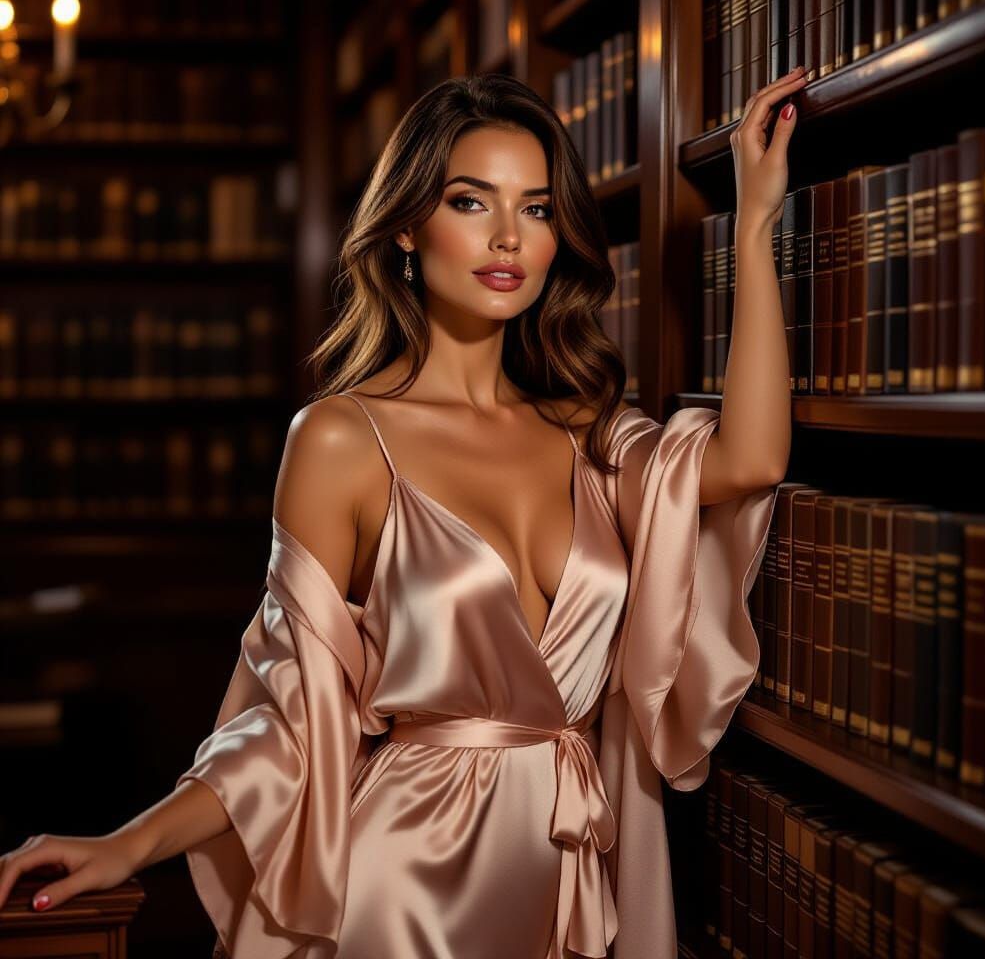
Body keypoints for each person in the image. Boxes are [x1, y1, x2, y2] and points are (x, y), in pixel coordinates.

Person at [0, 67, 803, 957]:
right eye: (472, 202)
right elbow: (288, 715)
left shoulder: (590, 431)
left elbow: (751, 458)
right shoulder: (343, 439)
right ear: (409, 229)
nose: (508, 237)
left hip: (575, 862)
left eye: (536, 209)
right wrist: (128, 843)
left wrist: (757, 224)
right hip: (403, 893)